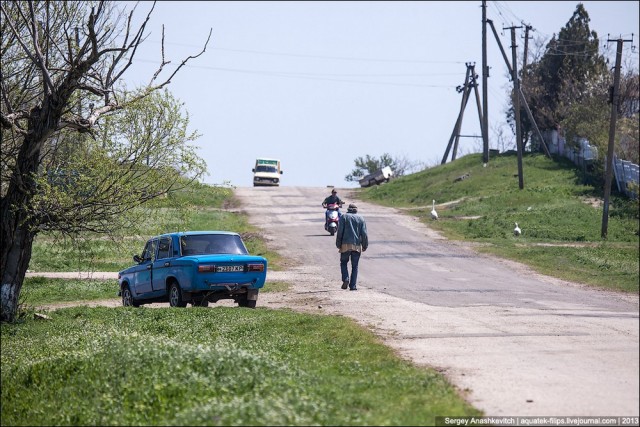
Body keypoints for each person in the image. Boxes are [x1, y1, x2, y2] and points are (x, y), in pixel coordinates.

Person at [335, 203, 368, 291]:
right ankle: (353, 286)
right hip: (356, 246)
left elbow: (340, 232)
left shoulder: (344, 217)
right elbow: (364, 234)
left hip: (345, 245)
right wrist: (365, 245)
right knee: (355, 266)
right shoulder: (361, 218)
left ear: (348, 209)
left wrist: (338, 244)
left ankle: (346, 279)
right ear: (356, 210)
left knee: (343, 262)